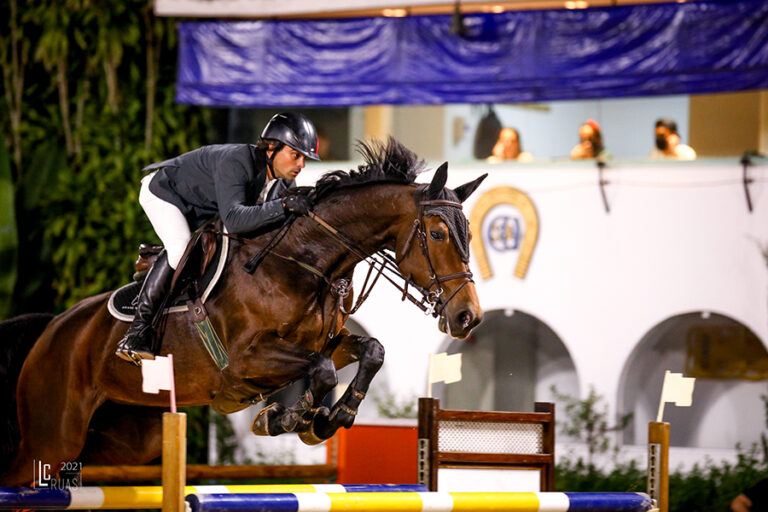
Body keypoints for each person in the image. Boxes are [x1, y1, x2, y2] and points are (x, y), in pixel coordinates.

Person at [115, 112, 320, 365]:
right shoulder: (237, 161)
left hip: (199, 208)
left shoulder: (281, 183)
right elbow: (235, 220)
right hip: (165, 194)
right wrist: (284, 207)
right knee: (180, 248)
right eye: (296, 155)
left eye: (304, 159)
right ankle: (137, 332)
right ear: (271, 148)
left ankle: (157, 259)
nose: (301, 164)